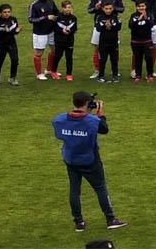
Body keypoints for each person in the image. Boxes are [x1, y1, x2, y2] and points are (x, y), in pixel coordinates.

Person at [52, 90, 127, 232]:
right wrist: (100, 112)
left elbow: (59, 134)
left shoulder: (59, 119)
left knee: (74, 190)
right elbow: (104, 129)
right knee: (100, 188)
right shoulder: (92, 121)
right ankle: (110, 219)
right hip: (89, 160)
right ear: (87, 103)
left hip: (71, 158)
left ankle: (78, 222)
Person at [86, 0, 125, 79]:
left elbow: (122, 9)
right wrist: (96, 8)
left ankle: (115, 71)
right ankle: (97, 70)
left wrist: (112, 8)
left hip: (113, 26)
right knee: (97, 48)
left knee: (114, 49)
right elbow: (89, 10)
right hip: (99, 25)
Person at [128, 0, 156, 78]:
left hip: (154, 24)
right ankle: (134, 70)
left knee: (153, 47)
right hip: (140, 24)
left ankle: (151, 70)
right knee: (137, 48)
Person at [28, 0, 60, 80]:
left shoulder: (51, 2)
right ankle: (39, 74)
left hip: (51, 31)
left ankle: (49, 70)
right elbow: (31, 19)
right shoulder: (34, 5)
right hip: (40, 32)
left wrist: (57, 16)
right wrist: (45, 17)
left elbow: (56, 12)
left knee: (54, 51)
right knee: (39, 53)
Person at [0, 3, 21, 87]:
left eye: (8, 12)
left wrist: (17, 31)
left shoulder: (13, 19)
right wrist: (4, 30)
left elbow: (15, 30)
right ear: (1, 13)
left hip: (11, 43)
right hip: (1, 44)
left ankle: (13, 77)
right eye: (5, 12)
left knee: (15, 60)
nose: (7, 13)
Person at [127, 2, 156, 84]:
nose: (141, 8)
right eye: (139, 6)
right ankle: (138, 75)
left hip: (147, 41)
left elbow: (151, 25)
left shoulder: (150, 15)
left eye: (142, 6)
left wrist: (146, 18)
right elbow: (131, 26)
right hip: (136, 41)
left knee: (148, 58)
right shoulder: (133, 16)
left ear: (145, 6)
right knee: (137, 58)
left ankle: (150, 75)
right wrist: (139, 19)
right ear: (136, 7)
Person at [93, 3, 121, 83]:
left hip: (113, 42)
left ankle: (115, 76)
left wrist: (111, 26)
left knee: (114, 60)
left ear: (113, 9)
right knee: (102, 60)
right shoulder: (99, 17)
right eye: (106, 8)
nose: (108, 10)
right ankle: (101, 76)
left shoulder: (116, 17)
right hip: (103, 42)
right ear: (103, 9)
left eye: (110, 8)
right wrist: (105, 26)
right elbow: (98, 28)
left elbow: (119, 27)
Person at [51, 2, 79, 81]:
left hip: (69, 41)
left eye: (69, 7)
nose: (68, 9)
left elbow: (75, 29)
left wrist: (69, 31)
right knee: (58, 56)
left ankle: (69, 74)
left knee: (69, 57)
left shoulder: (73, 18)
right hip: (59, 41)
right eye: (66, 7)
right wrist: (62, 30)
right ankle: (53, 71)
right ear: (62, 8)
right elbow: (55, 29)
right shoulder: (58, 18)